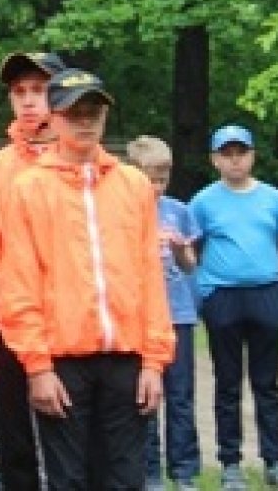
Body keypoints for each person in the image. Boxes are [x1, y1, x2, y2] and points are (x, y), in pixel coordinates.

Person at [0, 68, 174, 490]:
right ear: (54, 118)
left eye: (93, 111)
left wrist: (154, 361)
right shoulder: (29, 188)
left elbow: (150, 278)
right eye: (74, 112)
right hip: (62, 359)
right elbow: (20, 284)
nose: (85, 121)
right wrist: (38, 366)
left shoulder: (133, 184)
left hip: (126, 355)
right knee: (68, 480)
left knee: (126, 478)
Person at [0, 49, 65, 491]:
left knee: (79, 446)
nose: (28, 100)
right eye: (19, 91)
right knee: (17, 445)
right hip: (10, 325)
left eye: (39, 90)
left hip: (72, 324)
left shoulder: (85, 165)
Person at [190, 126, 278, 490]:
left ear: (252, 156)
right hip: (223, 296)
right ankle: (230, 463)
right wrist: (209, 283)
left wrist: (269, 273)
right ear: (215, 160)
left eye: (241, 153)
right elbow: (193, 247)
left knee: (267, 382)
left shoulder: (273, 199)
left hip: (265, 294)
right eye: (227, 154)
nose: (235, 160)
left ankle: (274, 460)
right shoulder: (203, 202)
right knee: (227, 382)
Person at [125, 135, 201, 491]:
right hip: (139, 319)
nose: (157, 187)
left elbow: (190, 265)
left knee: (181, 395)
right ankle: (149, 470)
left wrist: (181, 249)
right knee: (145, 397)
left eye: (162, 179)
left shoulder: (178, 211)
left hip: (178, 314)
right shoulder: (122, 212)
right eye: (150, 179)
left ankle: (184, 470)